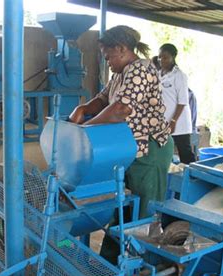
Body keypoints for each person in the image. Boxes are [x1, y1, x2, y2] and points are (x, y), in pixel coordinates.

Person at [69, 25, 173, 264]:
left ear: (122, 49)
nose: (107, 62)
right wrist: (83, 109)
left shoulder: (141, 70)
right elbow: (104, 99)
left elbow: (120, 110)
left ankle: (142, 268)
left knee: (143, 212)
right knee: (123, 208)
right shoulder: (120, 73)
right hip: (128, 149)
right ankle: (110, 262)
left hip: (150, 151)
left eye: (108, 56)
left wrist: (85, 128)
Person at [158, 43, 196, 164]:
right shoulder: (159, 74)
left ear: (173, 57)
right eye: (160, 57)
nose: (161, 60)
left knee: (185, 153)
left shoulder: (179, 76)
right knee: (164, 152)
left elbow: (182, 101)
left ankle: (193, 179)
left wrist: (173, 121)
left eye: (165, 57)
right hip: (163, 121)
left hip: (179, 122)